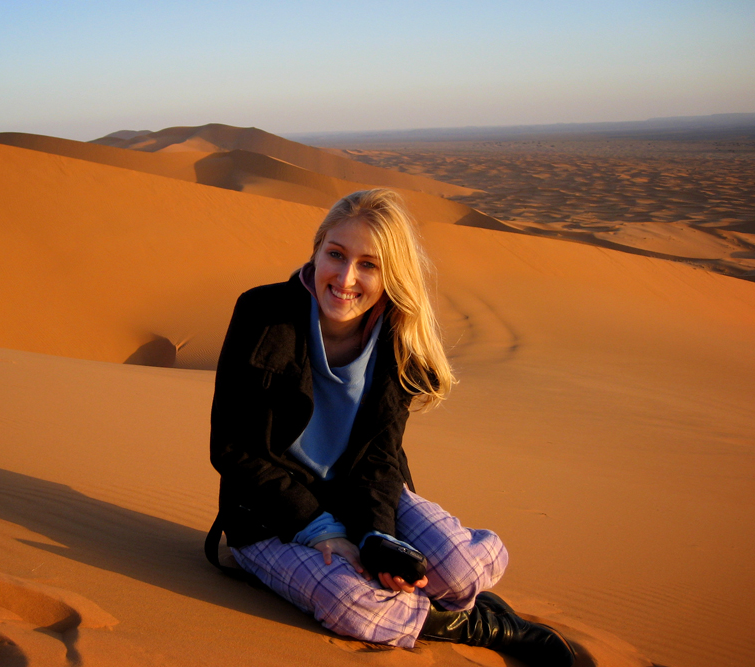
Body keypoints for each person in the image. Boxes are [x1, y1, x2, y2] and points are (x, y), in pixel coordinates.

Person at [206, 189, 575, 666]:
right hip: (269, 514)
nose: (346, 278)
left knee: (461, 571)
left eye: (369, 265)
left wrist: (378, 539)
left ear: (390, 275)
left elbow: (380, 459)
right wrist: (320, 530)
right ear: (316, 251)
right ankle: (473, 622)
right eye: (335, 255)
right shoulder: (263, 314)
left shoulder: (399, 341)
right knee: (355, 603)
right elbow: (232, 449)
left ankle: (439, 602)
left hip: (361, 493)